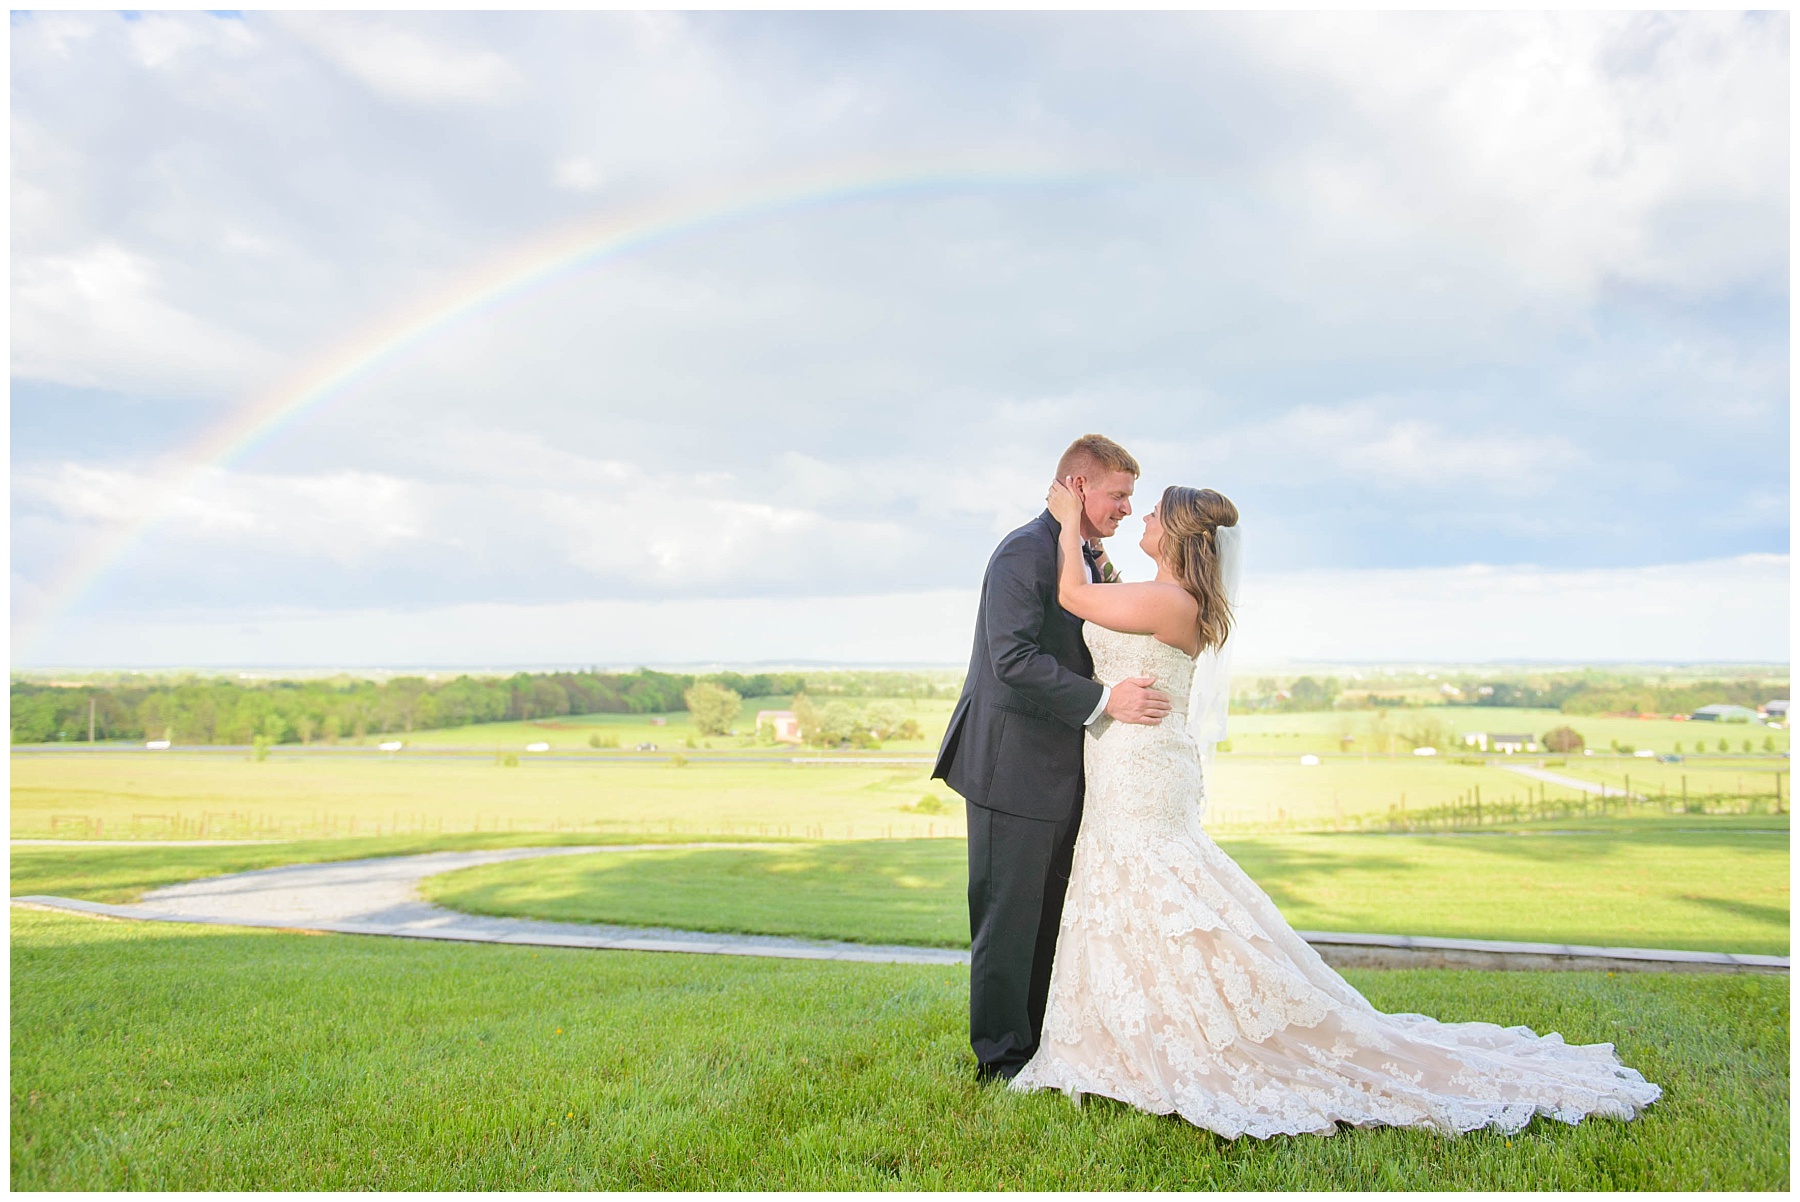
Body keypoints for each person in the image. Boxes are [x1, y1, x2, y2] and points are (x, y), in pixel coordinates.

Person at [1007, 475, 1662, 1138]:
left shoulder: (1166, 600)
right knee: (1143, 891)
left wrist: (1066, 521)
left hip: (1138, 766)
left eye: (1152, 512)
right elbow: (1105, 600)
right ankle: (1130, 1038)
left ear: (1175, 533)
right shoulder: (1171, 595)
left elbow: (1071, 596)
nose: (1141, 516)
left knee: (1150, 888)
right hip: (1136, 761)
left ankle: (1176, 1039)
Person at [933, 434, 1171, 1083]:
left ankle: (1040, 1047)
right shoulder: (1022, 551)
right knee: (1008, 921)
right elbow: (1011, 659)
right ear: (1078, 487)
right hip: (1010, 768)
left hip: (1063, 771)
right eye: (1119, 494)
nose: (1126, 508)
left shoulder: (1083, 555)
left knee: (1049, 917)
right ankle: (1002, 1062)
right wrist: (1105, 701)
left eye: (1130, 498)